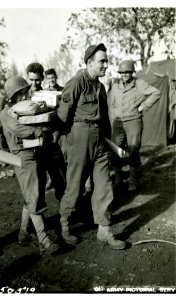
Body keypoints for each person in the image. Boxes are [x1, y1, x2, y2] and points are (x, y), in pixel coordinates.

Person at [55, 44, 126, 250]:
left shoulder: (101, 87)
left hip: (100, 139)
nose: (106, 65)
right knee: (75, 185)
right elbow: (63, 115)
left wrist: (107, 140)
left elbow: (104, 117)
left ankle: (104, 230)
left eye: (106, 60)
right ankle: (65, 225)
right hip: (79, 136)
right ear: (89, 63)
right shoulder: (77, 82)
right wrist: (66, 141)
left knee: (104, 185)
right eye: (102, 61)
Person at [0, 76, 66, 254]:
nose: (24, 96)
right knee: (34, 195)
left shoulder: (28, 108)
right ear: (12, 96)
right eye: (20, 93)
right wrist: (39, 131)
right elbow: (18, 129)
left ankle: (23, 233)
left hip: (38, 152)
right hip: (22, 156)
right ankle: (43, 238)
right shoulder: (6, 113)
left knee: (32, 193)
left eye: (25, 92)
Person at [108, 60, 161, 191]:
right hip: (118, 123)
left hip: (133, 121)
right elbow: (111, 104)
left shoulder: (139, 84)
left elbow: (156, 93)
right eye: (122, 72)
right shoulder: (115, 86)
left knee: (133, 150)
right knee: (115, 150)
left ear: (132, 72)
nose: (125, 75)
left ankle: (133, 179)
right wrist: (114, 118)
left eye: (127, 72)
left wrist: (143, 106)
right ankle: (118, 179)